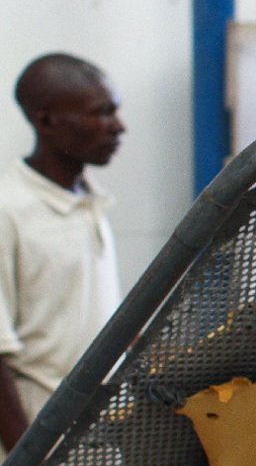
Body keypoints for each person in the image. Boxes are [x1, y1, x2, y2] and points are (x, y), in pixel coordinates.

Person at [0, 53, 124, 456]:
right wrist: (27, 452)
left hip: (100, 436)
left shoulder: (90, 202)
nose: (118, 127)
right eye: (101, 113)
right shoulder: (9, 209)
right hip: (42, 437)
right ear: (47, 121)